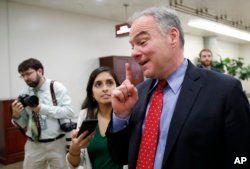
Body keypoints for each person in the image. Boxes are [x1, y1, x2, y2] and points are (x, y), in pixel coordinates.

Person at [106, 7, 250, 169]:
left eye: (142, 42)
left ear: (172, 37)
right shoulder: (137, 94)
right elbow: (120, 157)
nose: (134, 53)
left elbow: (242, 158)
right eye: (132, 46)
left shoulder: (225, 91)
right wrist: (121, 116)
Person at [11, 58, 75, 169]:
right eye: (22, 75)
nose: (26, 78)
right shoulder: (24, 92)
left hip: (57, 143)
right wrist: (16, 116)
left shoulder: (56, 88)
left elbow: (69, 112)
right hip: (33, 145)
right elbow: (23, 123)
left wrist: (41, 108)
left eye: (28, 74)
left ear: (40, 71)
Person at [66, 67, 126, 169]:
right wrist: (74, 150)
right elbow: (74, 164)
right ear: (92, 94)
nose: (105, 88)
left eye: (110, 83)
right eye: (98, 84)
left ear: (118, 88)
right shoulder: (85, 115)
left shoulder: (127, 115)